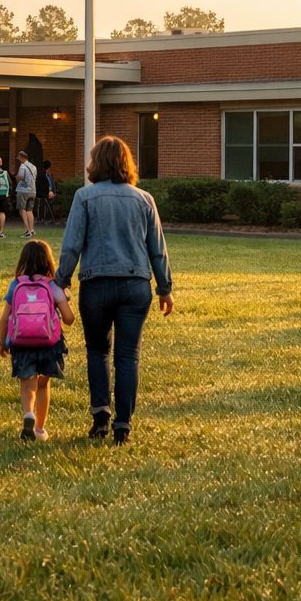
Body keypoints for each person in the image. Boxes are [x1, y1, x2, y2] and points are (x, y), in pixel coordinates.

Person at [53, 135, 175, 446]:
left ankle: (100, 417)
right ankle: (123, 424)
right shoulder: (144, 199)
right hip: (136, 285)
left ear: (97, 163)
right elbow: (157, 249)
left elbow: (72, 245)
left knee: (97, 351)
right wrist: (165, 288)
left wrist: (61, 281)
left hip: (96, 284)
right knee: (128, 356)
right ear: (126, 163)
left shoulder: (84, 197)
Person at [0, 238, 76, 441]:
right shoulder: (53, 286)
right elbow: (69, 319)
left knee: (27, 383)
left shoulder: (16, 284)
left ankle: (28, 414)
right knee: (43, 384)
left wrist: (2, 342)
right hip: (48, 344)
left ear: (23, 261)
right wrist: (66, 299)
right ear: (48, 262)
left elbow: (4, 318)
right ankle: (40, 429)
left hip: (22, 343)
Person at [15, 151, 38, 237]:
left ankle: (27, 230)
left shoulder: (22, 166)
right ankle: (31, 229)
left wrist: (16, 177)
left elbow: (20, 177)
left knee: (22, 209)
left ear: (21, 157)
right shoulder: (34, 166)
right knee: (29, 210)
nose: (18, 158)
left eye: (18, 157)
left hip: (23, 190)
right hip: (33, 190)